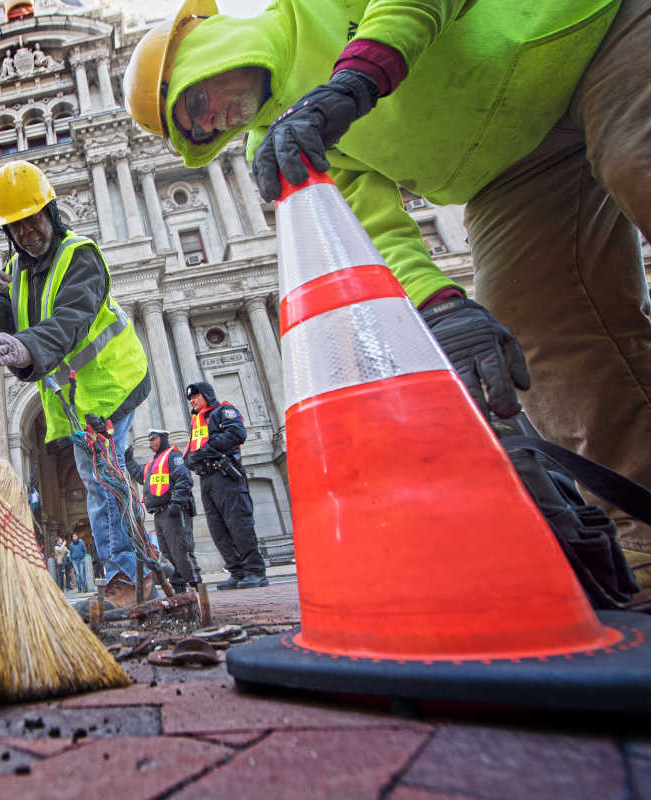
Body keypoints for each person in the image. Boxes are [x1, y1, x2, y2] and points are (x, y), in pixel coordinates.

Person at [124, 0, 651, 593]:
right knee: (549, 335)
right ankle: (644, 544)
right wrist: (439, 304)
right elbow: (366, 223)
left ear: (204, 50)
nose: (212, 120)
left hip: (588, 37)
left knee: (640, 161)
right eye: (198, 129)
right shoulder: (274, 139)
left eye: (197, 102)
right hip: (515, 172)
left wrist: (355, 80)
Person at [0, 160, 153, 610]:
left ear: (50, 212)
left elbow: (69, 320)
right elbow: (12, 322)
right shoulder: (20, 270)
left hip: (111, 384)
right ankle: (145, 564)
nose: (28, 232)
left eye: (33, 219)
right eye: (16, 226)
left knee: (100, 477)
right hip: (77, 396)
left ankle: (130, 574)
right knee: (109, 477)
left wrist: (24, 349)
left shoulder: (80, 256)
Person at [182, 382, 267, 589]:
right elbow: (194, 447)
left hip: (226, 476)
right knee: (218, 528)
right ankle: (237, 572)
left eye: (196, 396)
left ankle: (255, 571)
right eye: (190, 399)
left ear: (207, 396)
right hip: (207, 479)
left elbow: (237, 434)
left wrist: (205, 451)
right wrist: (190, 459)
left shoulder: (224, 411)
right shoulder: (197, 421)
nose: (192, 401)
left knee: (239, 524)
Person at [126, 428, 201, 593]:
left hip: (172, 510)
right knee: (167, 552)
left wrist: (177, 503)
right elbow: (142, 478)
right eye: (149, 439)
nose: (150, 442)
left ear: (163, 438)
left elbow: (183, 478)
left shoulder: (172, 456)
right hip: (159, 513)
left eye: (153, 439)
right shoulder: (153, 463)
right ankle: (179, 587)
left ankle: (196, 584)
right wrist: (129, 461)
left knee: (181, 549)